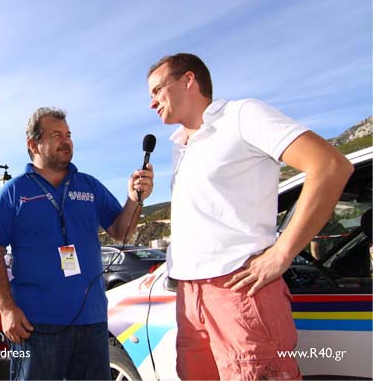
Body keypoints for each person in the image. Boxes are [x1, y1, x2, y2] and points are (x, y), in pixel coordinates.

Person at [147, 53, 353, 380]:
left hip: (239, 289)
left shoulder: (242, 115)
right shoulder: (179, 146)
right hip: (189, 297)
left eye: (158, 90)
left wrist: (282, 253)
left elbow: (330, 166)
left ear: (188, 80)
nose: (152, 102)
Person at [0, 107, 154, 380]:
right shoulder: (13, 192)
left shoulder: (89, 186)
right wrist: (6, 309)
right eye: (56, 135)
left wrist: (134, 200)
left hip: (92, 322)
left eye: (69, 134)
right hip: (35, 325)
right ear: (33, 145)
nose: (67, 141)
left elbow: (120, 231)